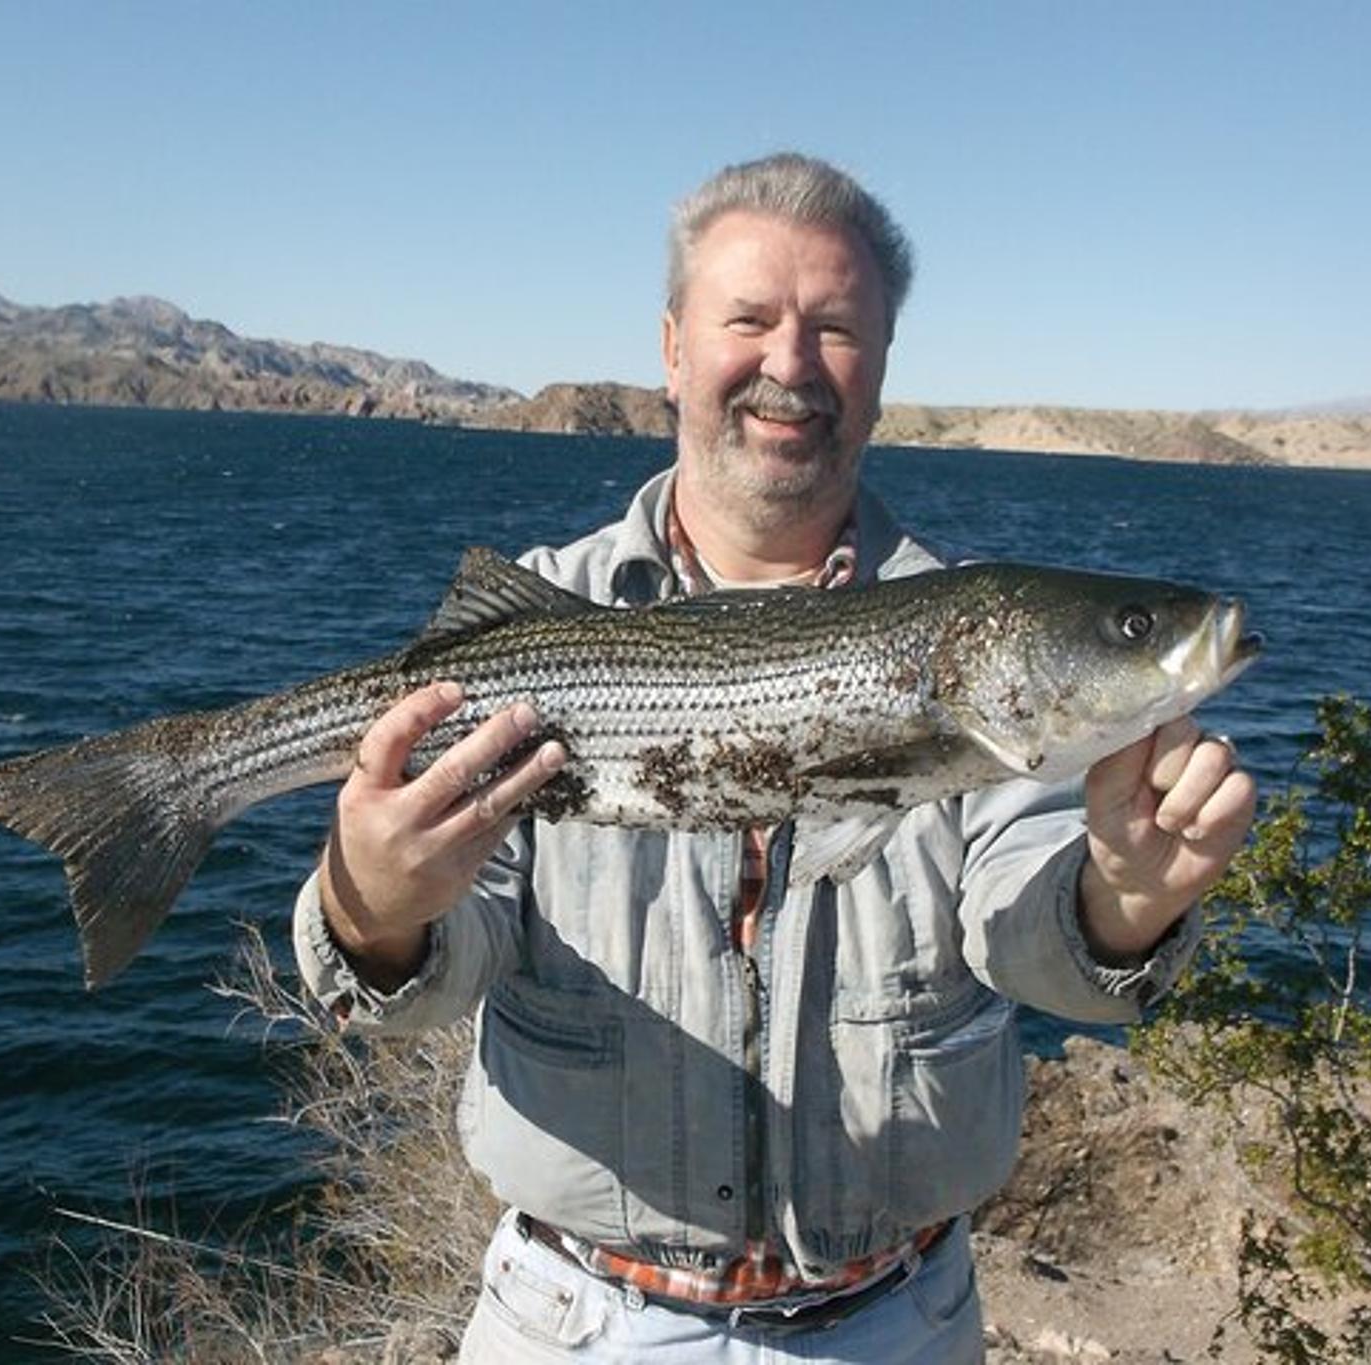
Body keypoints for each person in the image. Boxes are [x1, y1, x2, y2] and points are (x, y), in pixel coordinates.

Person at [293, 152, 1256, 1363]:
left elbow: (1035, 943)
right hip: (573, 1321)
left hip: (894, 1322)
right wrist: (370, 902)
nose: (790, 364)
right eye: (747, 318)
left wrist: (1125, 898)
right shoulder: (548, 619)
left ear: (883, 364)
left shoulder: (976, 648)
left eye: (837, 328)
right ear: (672, 348)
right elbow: (420, 975)